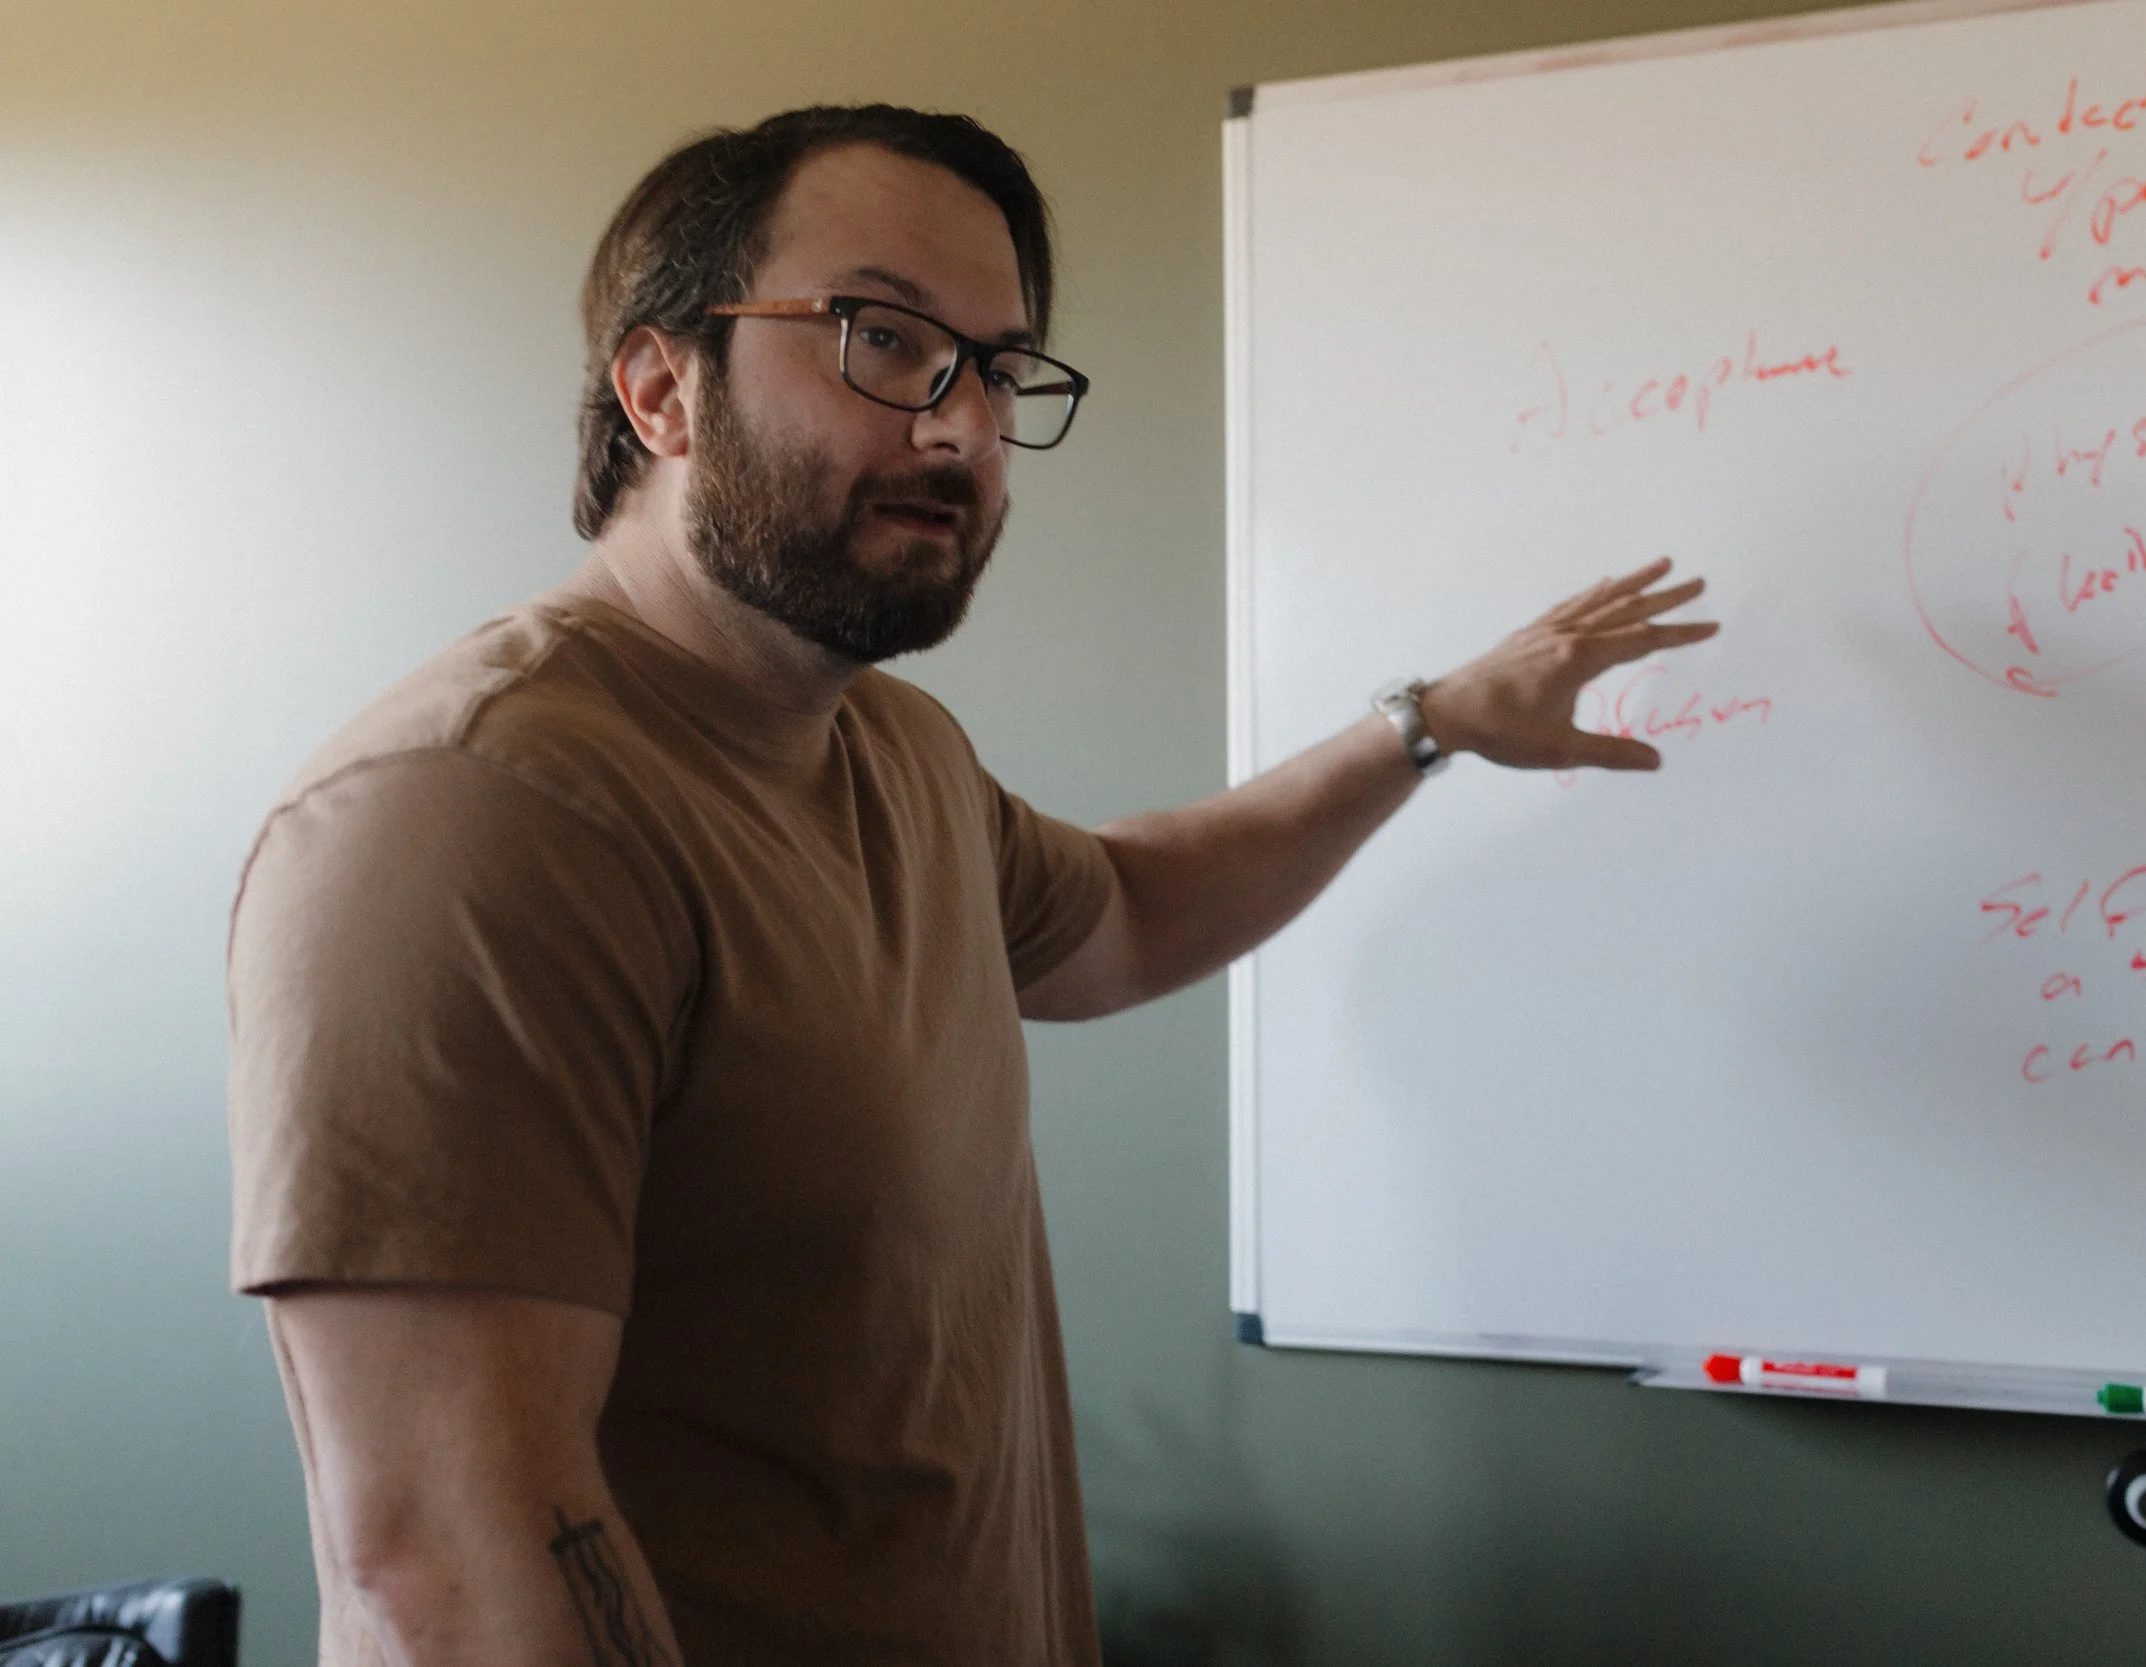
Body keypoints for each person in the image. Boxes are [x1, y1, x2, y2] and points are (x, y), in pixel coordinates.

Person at [225, 104, 1716, 1667]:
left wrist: (1428, 725)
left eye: (999, 366)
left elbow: (1128, 911)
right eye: (882, 338)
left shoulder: (893, 749)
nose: (959, 425)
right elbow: (445, 1566)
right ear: (661, 390)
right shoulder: (475, 813)